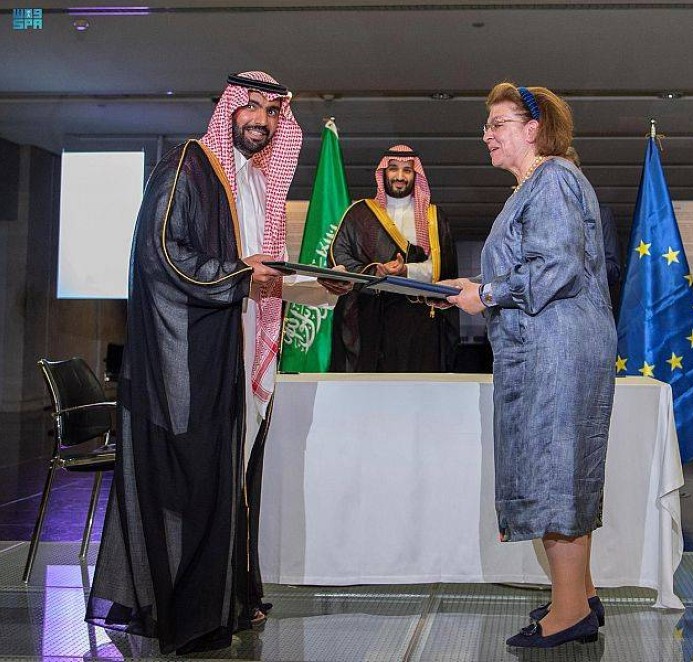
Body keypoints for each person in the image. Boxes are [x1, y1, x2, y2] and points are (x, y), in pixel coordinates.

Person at [86, 71, 349, 654]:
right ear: (227, 108)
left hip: (242, 351)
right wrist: (236, 275)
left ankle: (229, 600)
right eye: (250, 106)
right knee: (196, 485)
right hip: (192, 360)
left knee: (235, 481)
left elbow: (264, 275)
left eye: (273, 111)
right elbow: (162, 254)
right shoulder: (188, 166)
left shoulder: (255, 181)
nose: (262, 119)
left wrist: (323, 286)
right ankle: (188, 614)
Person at [441, 83, 616, 649]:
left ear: (534, 128)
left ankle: (569, 614)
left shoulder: (554, 179)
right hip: (548, 350)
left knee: (554, 474)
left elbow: (556, 268)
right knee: (561, 471)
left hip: (556, 353)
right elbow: (533, 264)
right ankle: (580, 596)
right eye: (486, 125)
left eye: (497, 124)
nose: (486, 135)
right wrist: (473, 286)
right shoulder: (537, 185)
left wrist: (487, 294)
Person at [328, 144, 459, 372]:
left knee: (415, 385)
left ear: (416, 175)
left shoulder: (433, 217)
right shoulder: (360, 213)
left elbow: (443, 268)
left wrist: (406, 271)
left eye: (407, 170)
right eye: (393, 169)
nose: (400, 176)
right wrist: (374, 271)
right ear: (383, 173)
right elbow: (338, 256)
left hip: (416, 321)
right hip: (369, 317)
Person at [564, 146, 622, 290]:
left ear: (580, 172)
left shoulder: (601, 215)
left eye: (569, 172)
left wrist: (580, 262)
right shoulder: (537, 216)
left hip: (589, 299)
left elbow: (614, 270)